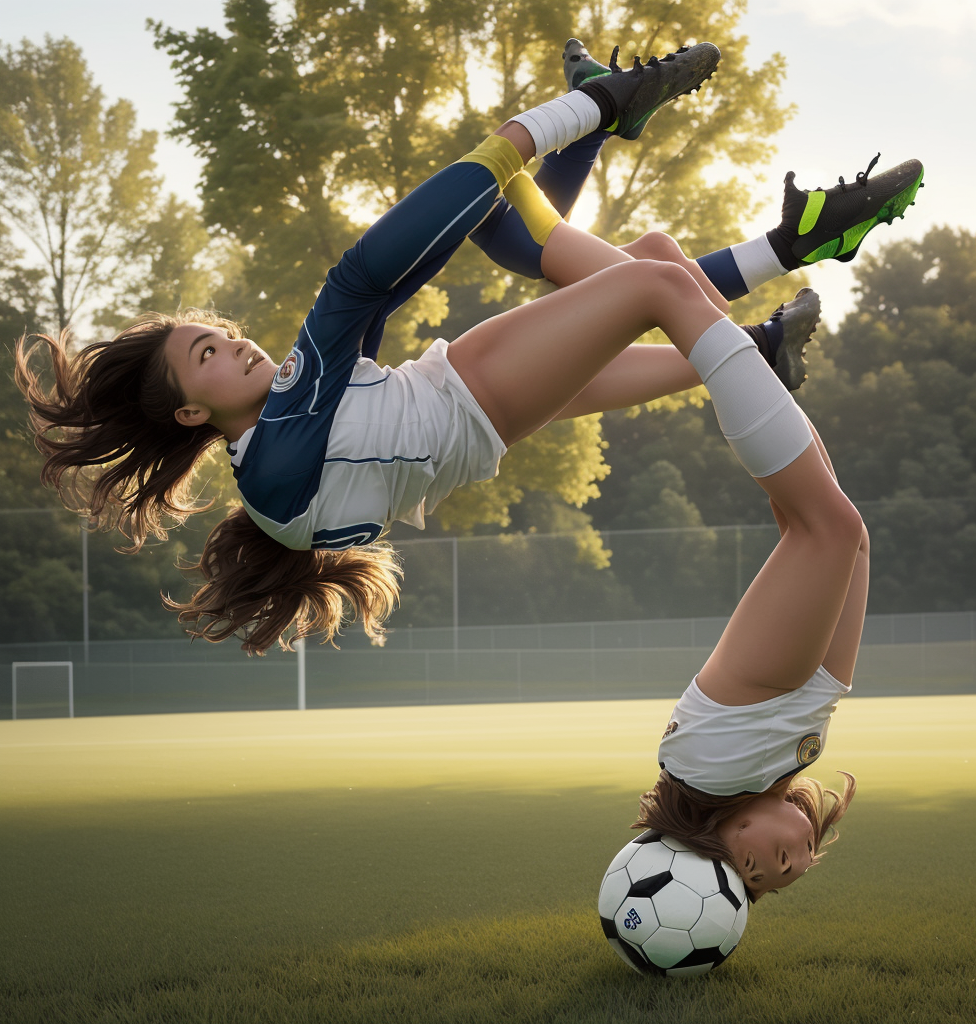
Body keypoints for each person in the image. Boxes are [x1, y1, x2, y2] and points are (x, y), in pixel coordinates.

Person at [16, 40, 920, 656]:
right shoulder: (277, 454)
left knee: (631, 269)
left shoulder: (289, 439)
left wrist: (540, 145)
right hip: (473, 394)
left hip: (480, 414)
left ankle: (758, 308)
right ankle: (750, 218)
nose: (233, 343)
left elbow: (380, 290)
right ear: (190, 411)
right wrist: (536, 128)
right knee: (646, 279)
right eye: (205, 355)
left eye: (219, 332)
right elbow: (355, 284)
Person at [633, 416, 866, 902]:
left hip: (765, 687)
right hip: (808, 687)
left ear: (718, 835)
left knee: (831, 528)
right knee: (847, 534)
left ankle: (734, 356)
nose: (795, 862)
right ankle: (767, 381)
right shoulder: (766, 778)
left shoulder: (720, 775)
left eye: (761, 869)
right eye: (795, 868)